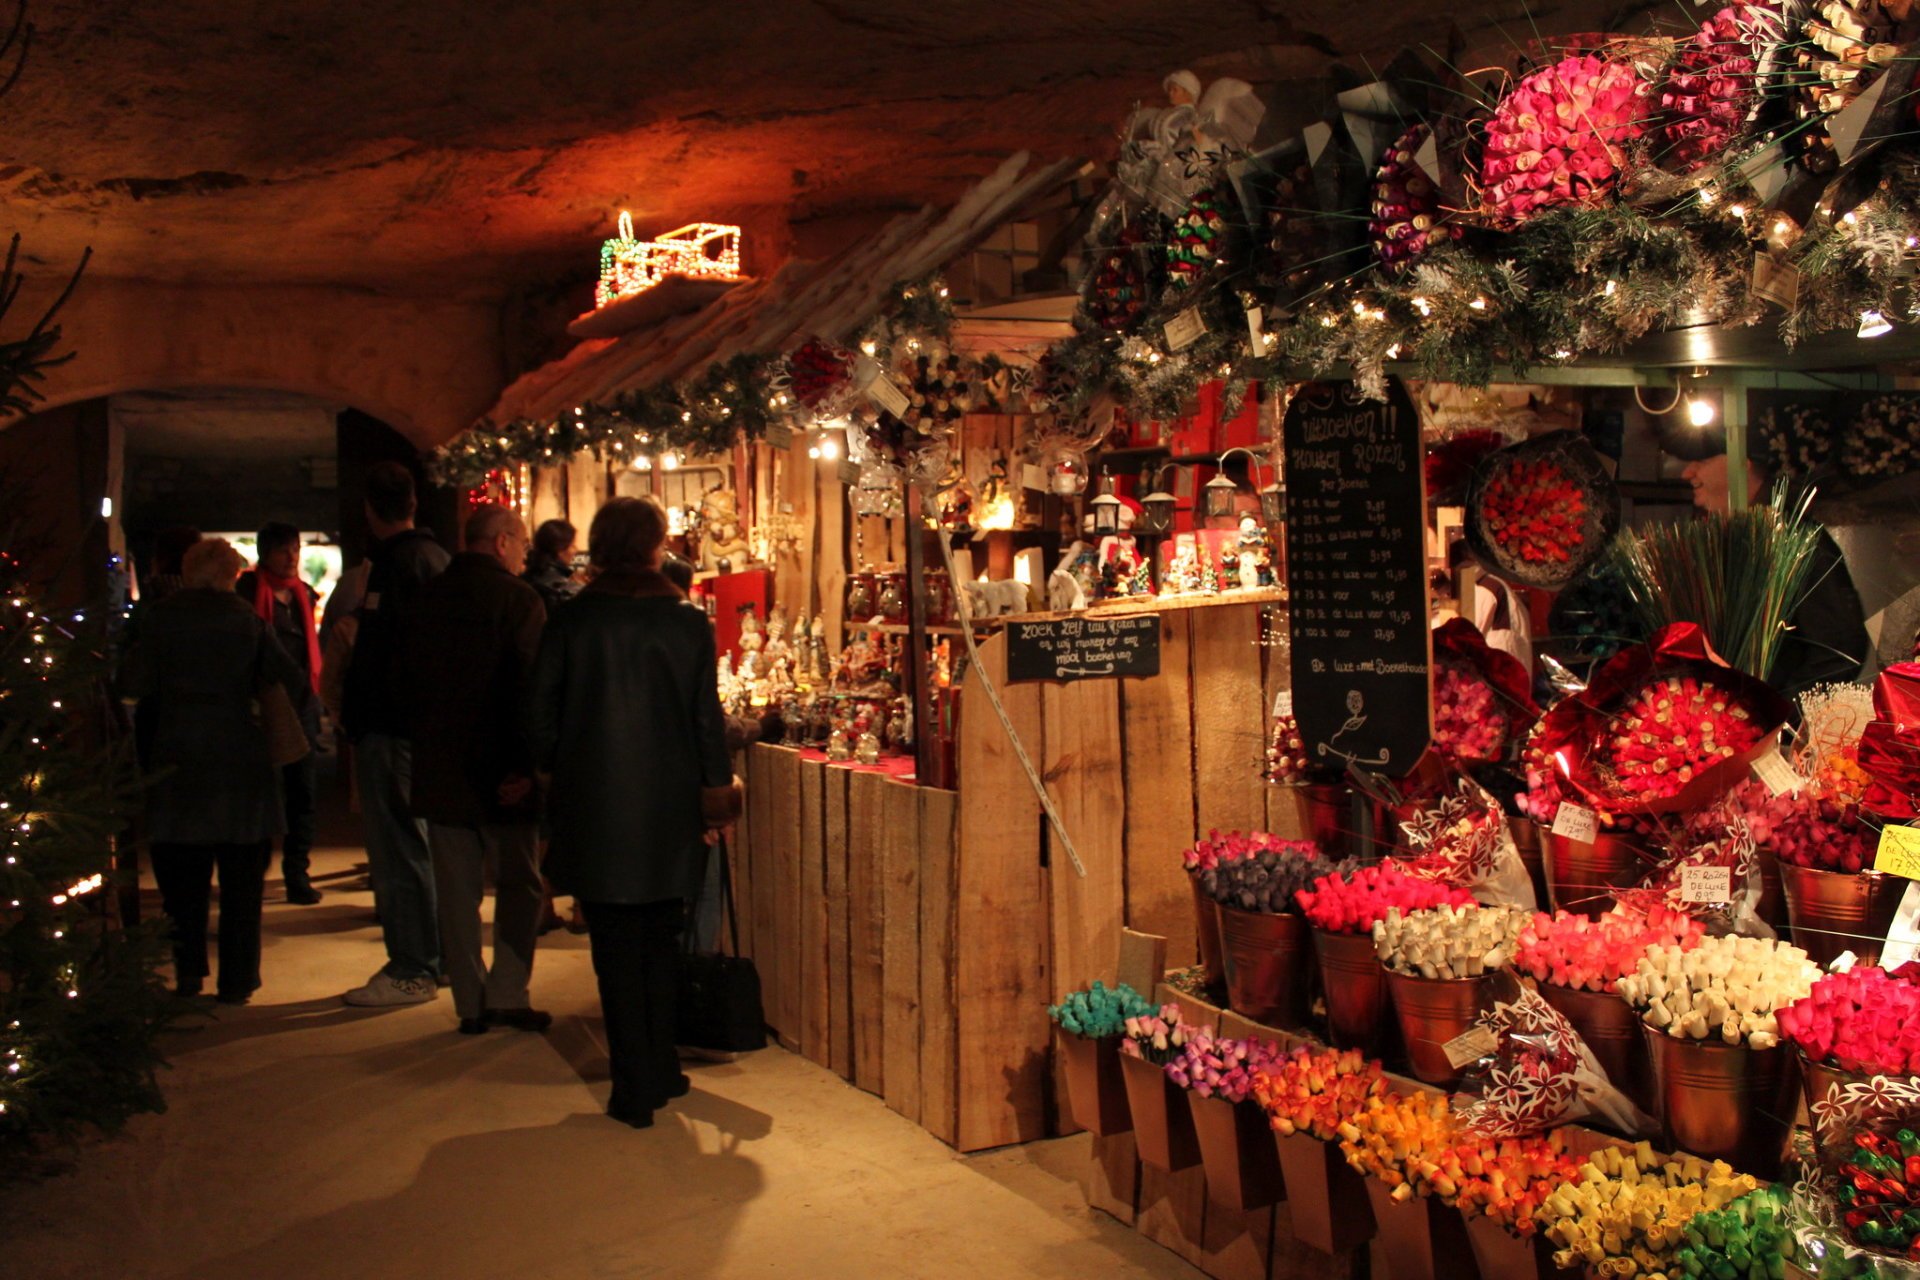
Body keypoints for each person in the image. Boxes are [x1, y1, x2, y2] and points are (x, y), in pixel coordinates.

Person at [530, 497, 739, 1128]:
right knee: (662, 938)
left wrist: (557, 776)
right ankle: (662, 1067)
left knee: (615, 947)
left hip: (596, 805)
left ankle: (633, 1083)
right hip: (669, 807)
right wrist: (714, 797)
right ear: (655, 545)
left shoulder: (572, 621)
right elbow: (708, 723)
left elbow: (539, 723)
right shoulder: (685, 622)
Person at [124, 538, 305, 1003]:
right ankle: (238, 980)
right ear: (232, 576)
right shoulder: (247, 622)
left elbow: (134, 683)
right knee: (242, 884)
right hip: (239, 760)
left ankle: (188, 973)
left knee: (182, 882)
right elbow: (293, 679)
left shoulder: (160, 620)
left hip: (176, 759)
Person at [403, 503, 551, 1036]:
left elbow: (410, 686)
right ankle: (509, 991)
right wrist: (527, 767)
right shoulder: (519, 599)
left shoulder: (426, 599)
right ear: (504, 541)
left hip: (441, 767)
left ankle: (469, 1001)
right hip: (503, 772)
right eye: (523, 544)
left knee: (457, 892)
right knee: (519, 884)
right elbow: (529, 690)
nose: (523, 555)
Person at [339, 462, 451, 1007]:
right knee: (423, 844)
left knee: (401, 849)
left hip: (393, 728)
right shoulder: (434, 560)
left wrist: (363, 716)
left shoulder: (399, 565)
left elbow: (393, 656)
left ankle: (413, 967)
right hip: (418, 728)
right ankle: (440, 956)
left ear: (367, 509)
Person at [1680, 450, 1867, 697]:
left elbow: (1838, 649)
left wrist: (1776, 713)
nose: (1687, 473)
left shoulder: (1793, 541)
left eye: (1702, 460)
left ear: (1741, 463)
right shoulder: (1726, 541)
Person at [238, 522, 325, 905]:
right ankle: (252, 873)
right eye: (282, 550)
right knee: (261, 792)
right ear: (265, 554)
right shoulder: (246, 593)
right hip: (261, 707)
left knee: (302, 793)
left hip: (301, 704)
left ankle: (296, 873)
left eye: (295, 549)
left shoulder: (303, 594)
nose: (291, 557)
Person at [523, 519, 582, 611]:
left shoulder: (523, 579)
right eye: (572, 545)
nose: (576, 550)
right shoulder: (566, 589)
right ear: (560, 549)